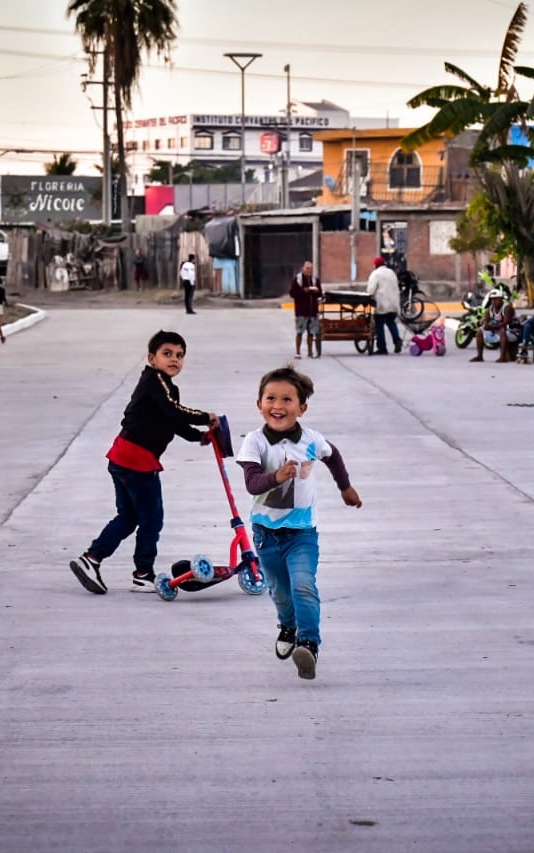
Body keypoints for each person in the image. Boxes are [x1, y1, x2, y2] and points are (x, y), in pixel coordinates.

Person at [68, 330, 219, 595]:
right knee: (151, 519)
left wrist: (200, 437)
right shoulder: (155, 380)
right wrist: (205, 416)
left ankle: (91, 559)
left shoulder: (165, 387)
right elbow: (175, 411)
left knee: (129, 516)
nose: (175, 360)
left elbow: (172, 421)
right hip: (136, 460)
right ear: (152, 358)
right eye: (167, 354)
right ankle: (143, 574)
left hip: (124, 457)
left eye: (180, 355)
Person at [236, 365, 362, 680]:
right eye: (270, 398)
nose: (278, 406)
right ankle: (288, 626)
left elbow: (333, 456)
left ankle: (308, 643)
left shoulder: (311, 440)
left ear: (302, 407)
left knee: (303, 585)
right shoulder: (254, 442)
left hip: (302, 533)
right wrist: (276, 476)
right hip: (266, 534)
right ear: (259, 404)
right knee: (279, 590)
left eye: (287, 399)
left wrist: (344, 487)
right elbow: (252, 484)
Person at [469, 289, 518, 363]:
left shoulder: (507, 308)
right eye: (492, 299)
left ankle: (502, 357)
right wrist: (485, 323)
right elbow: (486, 320)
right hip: (497, 330)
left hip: (512, 331)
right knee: (480, 331)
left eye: (496, 299)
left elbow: (506, 323)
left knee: (502, 330)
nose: (494, 301)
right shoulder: (491, 308)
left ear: (501, 299)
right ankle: (479, 356)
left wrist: (491, 327)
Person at [365, 256, 401, 355]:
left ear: (375, 265)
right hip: (393, 303)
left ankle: (382, 347)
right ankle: (397, 340)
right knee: (391, 322)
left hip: (381, 304)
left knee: (379, 324)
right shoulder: (391, 272)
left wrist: (368, 296)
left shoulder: (376, 274)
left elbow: (371, 290)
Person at [290, 260, 322, 359]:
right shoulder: (298, 280)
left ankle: (310, 352)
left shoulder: (315, 280)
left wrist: (316, 291)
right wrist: (303, 291)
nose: (309, 271)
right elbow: (292, 293)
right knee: (299, 332)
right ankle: (298, 352)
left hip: (312, 311)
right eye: (307, 268)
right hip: (301, 311)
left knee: (311, 333)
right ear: (303, 269)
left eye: (311, 269)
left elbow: (320, 294)